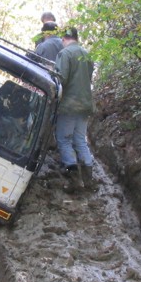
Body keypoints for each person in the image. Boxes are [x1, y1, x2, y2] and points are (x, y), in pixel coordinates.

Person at [54, 27, 96, 193]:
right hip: (86, 104)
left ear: (63, 39)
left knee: (64, 139)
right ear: (76, 38)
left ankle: (74, 179)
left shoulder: (65, 54)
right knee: (80, 139)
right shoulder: (87, 54)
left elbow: (61, 78)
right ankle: (89, 179)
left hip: (70, 105)